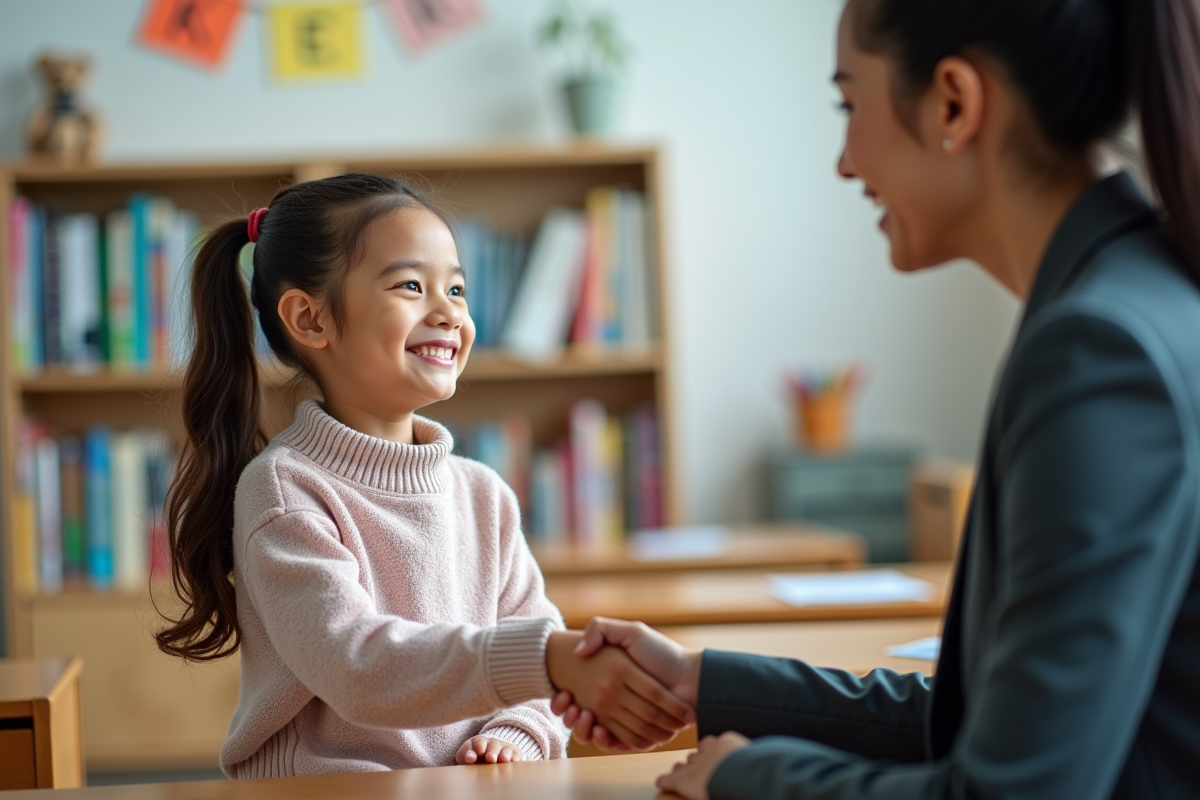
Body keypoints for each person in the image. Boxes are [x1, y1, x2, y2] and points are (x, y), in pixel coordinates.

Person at [552, 0, 1200, 797]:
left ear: (955, 104)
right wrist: (703, 684)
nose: (845, 162)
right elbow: (980, 724)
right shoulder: (1125, 298)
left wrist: (753, 778)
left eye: (849, 105)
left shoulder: (1099, 349)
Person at [154, 174, 693, 778]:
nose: (448, 313)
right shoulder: (285, 491)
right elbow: (360, 667)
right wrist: (548, 659)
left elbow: (535, 667)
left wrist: (517, 731)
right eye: (412, 285)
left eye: (457, 289)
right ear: (310, 319)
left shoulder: (483, 494)